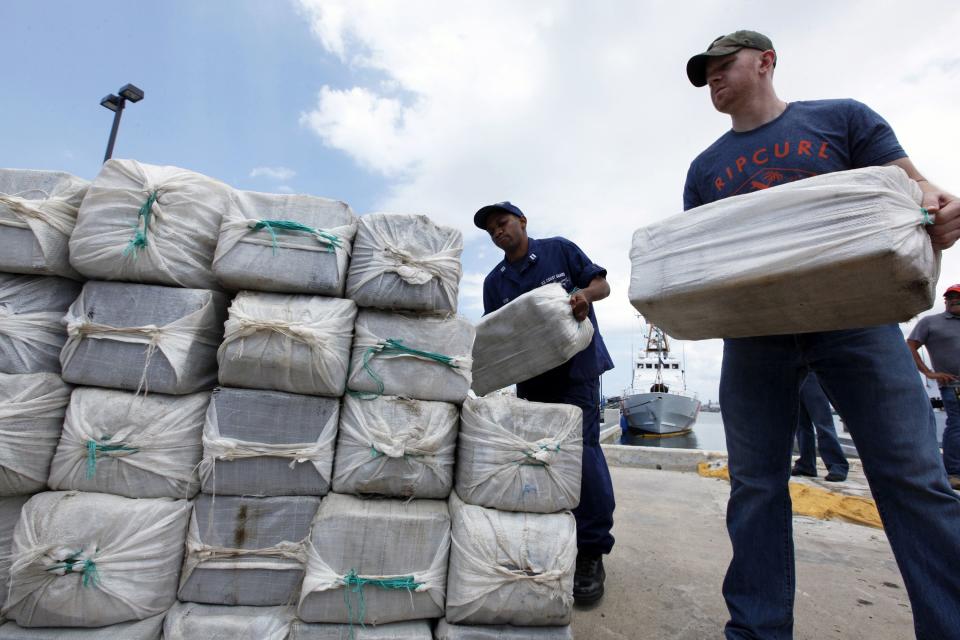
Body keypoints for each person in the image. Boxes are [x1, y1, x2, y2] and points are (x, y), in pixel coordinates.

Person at [684, 30, 960, 639]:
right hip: (755, 334)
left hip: (856, 320)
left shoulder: (841, 120)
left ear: (765, 61)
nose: (713, 80)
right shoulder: (705, 169)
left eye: (722, 66)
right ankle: (757, 631)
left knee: (913, 478)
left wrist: (940, 204)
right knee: (755, 485)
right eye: (704, 75)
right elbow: (701, 256)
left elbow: (911, 186)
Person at [474, 201, 616, 605]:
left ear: (521, 221)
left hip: (576, 375)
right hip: (533, 382)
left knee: (584, 455)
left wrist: (583, 296)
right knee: (541, 458)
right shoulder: (494, 282)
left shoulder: (558, 250)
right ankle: (554, 539)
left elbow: (602, 285)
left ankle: (591, 550)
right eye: (491, 231)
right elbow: (496, 336)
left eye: (502, 223)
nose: (498, 232)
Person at [907, 284, 960, 490]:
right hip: (954, 384)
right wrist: (928, 372)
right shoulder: (931, 322)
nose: (954, 300)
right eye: (950, 297)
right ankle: (954, 471)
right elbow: (909, 345)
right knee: (957, 424)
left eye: (958, 297)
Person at [791, 372, 848, 482]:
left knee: (822, 422)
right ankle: (806, 464)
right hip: (795, 375)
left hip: (812, 373)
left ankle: (837, 465)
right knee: (801, 425)